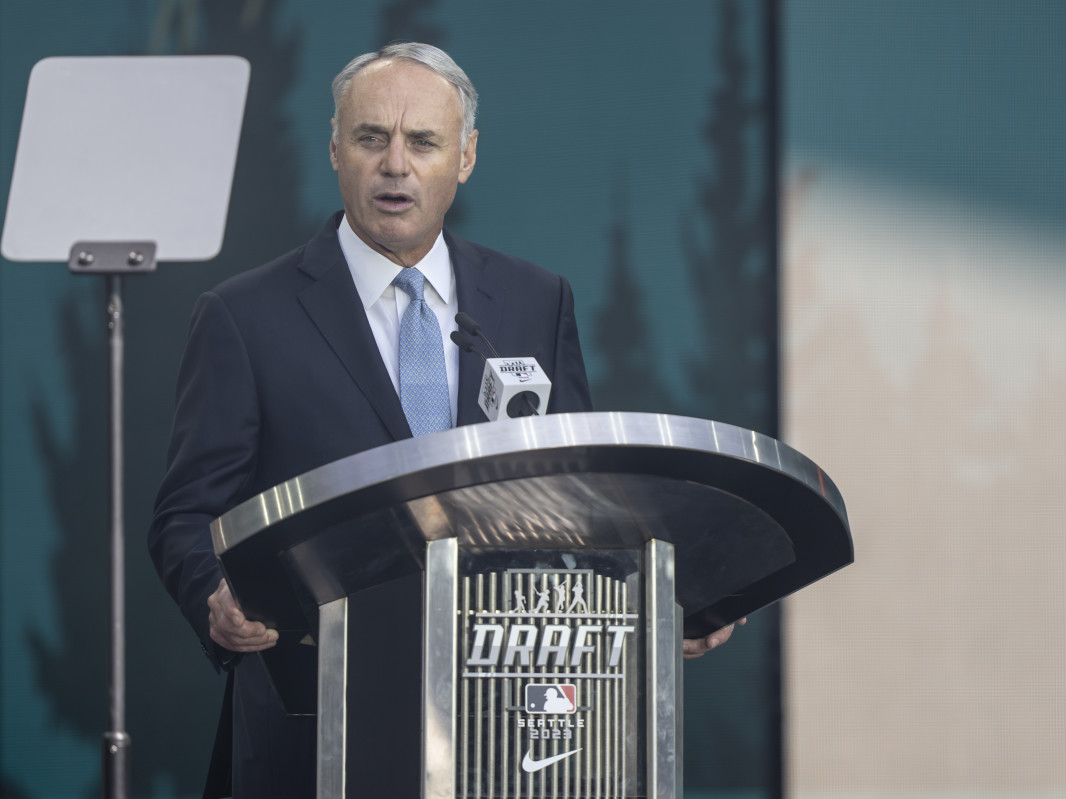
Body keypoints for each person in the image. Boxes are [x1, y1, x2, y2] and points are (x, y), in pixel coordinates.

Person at [149, 42, 739, 799]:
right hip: (312, 725)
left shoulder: (535, 301)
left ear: (465, 157)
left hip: (508, 728)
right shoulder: (243, 316)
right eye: (372, 138)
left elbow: (588, 508)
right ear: (336, 148)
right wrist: (212, 593)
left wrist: (658, 602)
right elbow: (187, 511)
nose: (396, 164)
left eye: (423, 141)